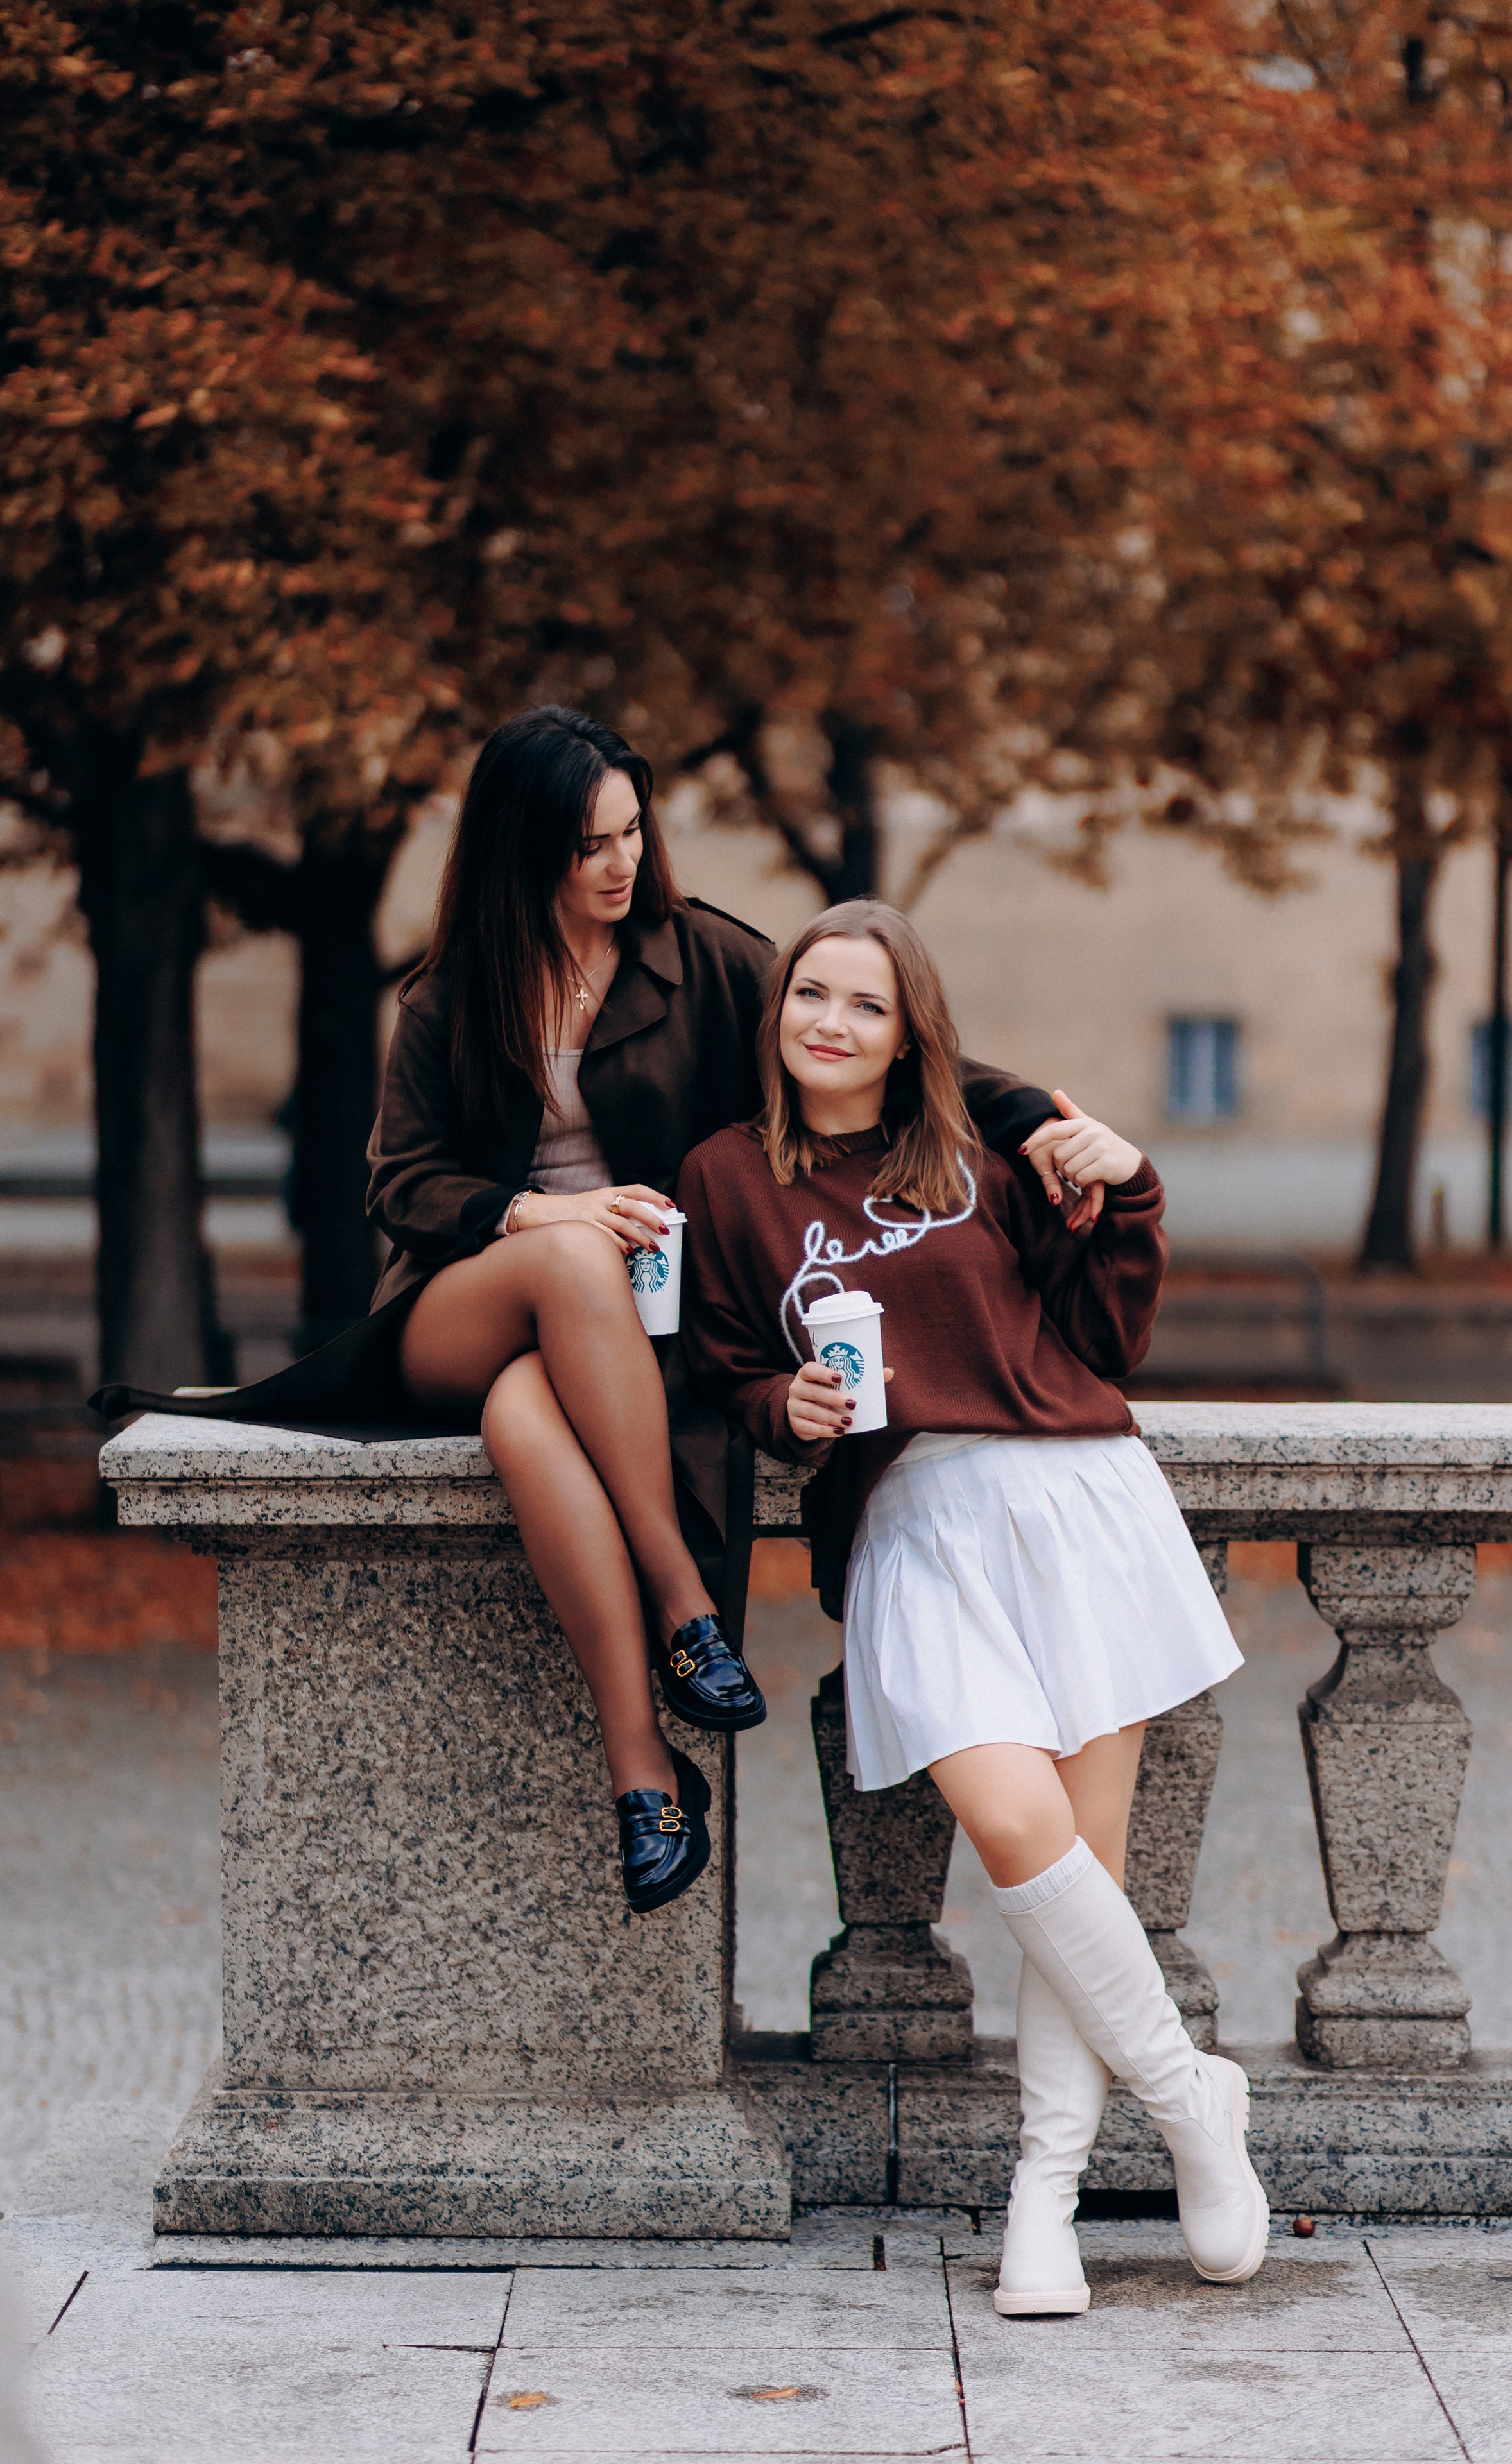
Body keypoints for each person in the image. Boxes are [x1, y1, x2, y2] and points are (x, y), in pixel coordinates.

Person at [91, 706, 1106, 1920]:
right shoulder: (452, 996)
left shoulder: (709, 962)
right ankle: (684, 1604)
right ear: (525, 851)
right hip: (459, 1306)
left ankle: (644, 1768)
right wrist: (539, 1215)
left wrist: (1040, 1123)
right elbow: (401, 1184)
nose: (622, 863)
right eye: (589, 846)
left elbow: (886, 1044)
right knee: (569, 1270)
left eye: (632, 831)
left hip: (625, 1344)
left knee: (530, 1419)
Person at [676, 898, 1267, 2313]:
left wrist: (1128, 1190)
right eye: (807, 994)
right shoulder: (725, 1177)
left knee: (1084, 1878)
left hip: (1071, 1500)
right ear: (777, 1014)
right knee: (1015, 1831)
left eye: (864, 1005)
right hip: (909, 1525)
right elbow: (712, 1361)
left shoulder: (973, 1153)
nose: (828, 1022)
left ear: (908, 1032)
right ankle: (1192, 2102)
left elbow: (1103, 1332)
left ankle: (1042, 2200)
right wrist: (782, 1401)